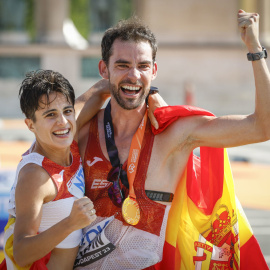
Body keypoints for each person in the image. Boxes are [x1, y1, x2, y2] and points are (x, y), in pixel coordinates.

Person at [75, 9, 270, 270]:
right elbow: (48, 134)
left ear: (154, 71)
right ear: (104, 68)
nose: (134, 75)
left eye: (143, 66)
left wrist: (255, 49)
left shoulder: (176, 134)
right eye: (122, 65)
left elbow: (261, 127)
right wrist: (99, 90)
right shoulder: (85, 131)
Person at [1, 70, 110, 269]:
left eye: (67, 111)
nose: (62, 122)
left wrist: (153, 99)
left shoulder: (68, 137)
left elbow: (102, 89)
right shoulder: (35, 176)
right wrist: (70, 223)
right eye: (50, 115)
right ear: (30, 125)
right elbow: (22, 253)